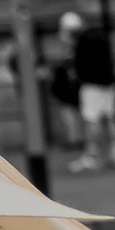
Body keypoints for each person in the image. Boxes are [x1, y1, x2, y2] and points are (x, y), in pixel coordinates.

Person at [70, 15, 115, 173]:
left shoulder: (83, 41)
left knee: (92, 120)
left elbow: (80, 66)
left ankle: (92, 156)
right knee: (110, 118)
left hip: (92, 85)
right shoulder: (102, 36)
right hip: (109, 83)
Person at [48, 11, 85, 152]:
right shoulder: (64, 47)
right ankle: (74, 140)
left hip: (73, 89)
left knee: (75, 116)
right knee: (69, 117)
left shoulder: (79, 46)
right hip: (67, 90)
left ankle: (77, 140)